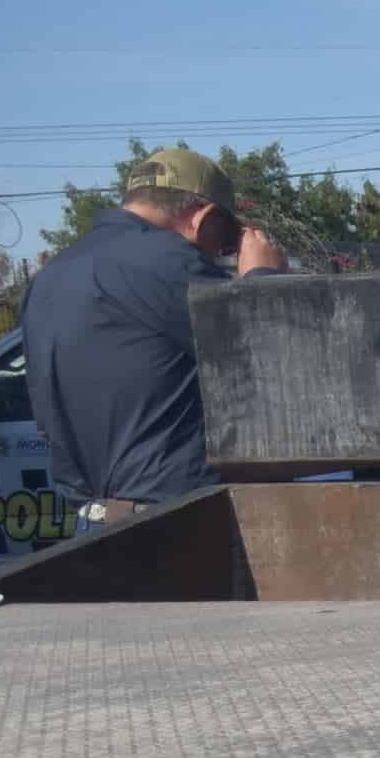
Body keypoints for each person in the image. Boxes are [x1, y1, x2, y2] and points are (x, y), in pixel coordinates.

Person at [22, 146, 289, 522]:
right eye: (226, 239)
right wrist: (264, 281)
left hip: (93, 521)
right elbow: (273, 358)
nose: (220, 255)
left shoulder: (50, 277)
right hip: (175, 519)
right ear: (203, 217)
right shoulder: (167, 261)